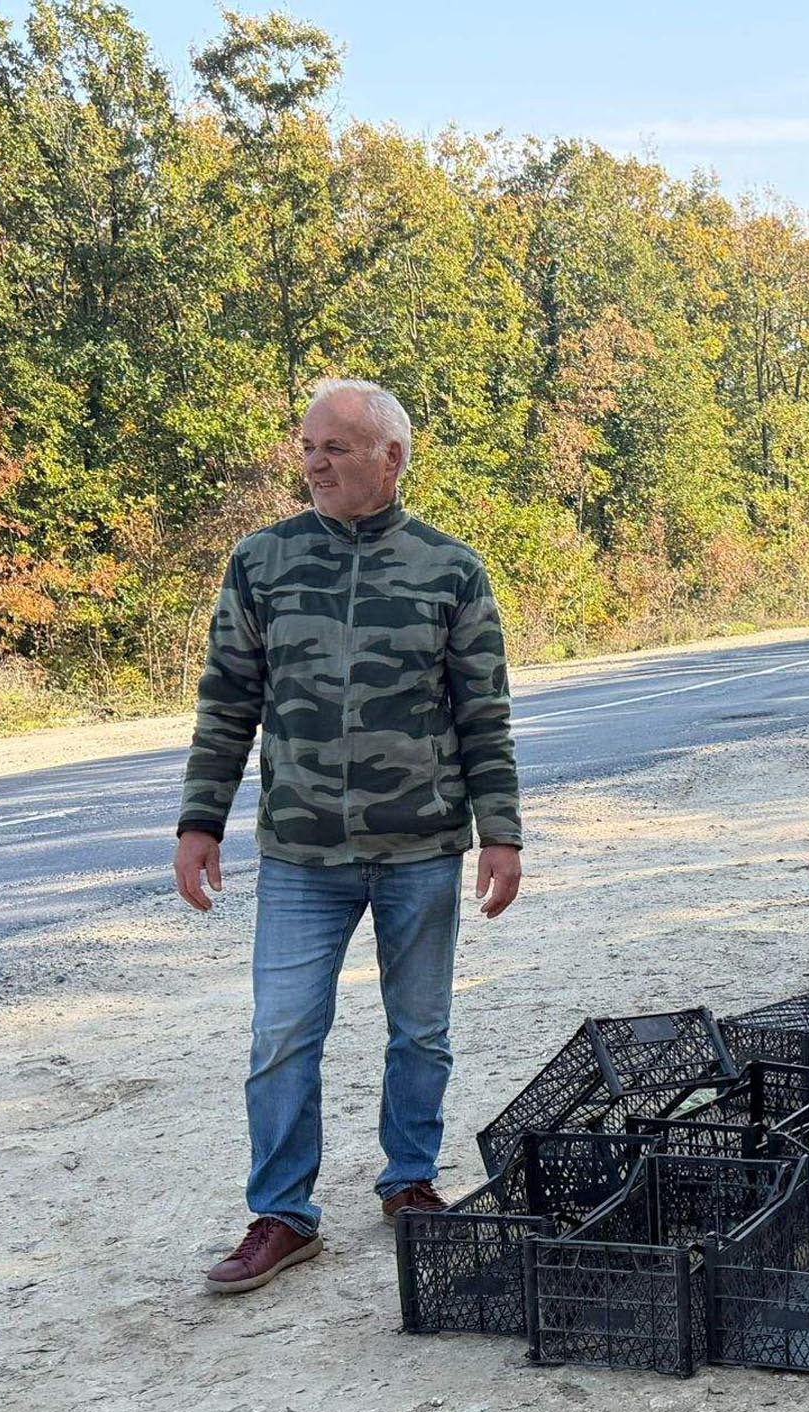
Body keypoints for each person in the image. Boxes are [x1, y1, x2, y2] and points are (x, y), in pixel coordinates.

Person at [175, 378, 525, 1296]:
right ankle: (283, 1214)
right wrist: (199, 821)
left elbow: (482, 713)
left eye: (334, 446)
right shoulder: (263, 563)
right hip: (299, 855)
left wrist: (503, 833)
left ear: (391, 458)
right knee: (283, 1034)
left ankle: (410, 1180)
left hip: (421, 849)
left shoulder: (452, 570)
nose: (313, 462)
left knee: (423, 1030)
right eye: (307, 446)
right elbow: (226, 704)